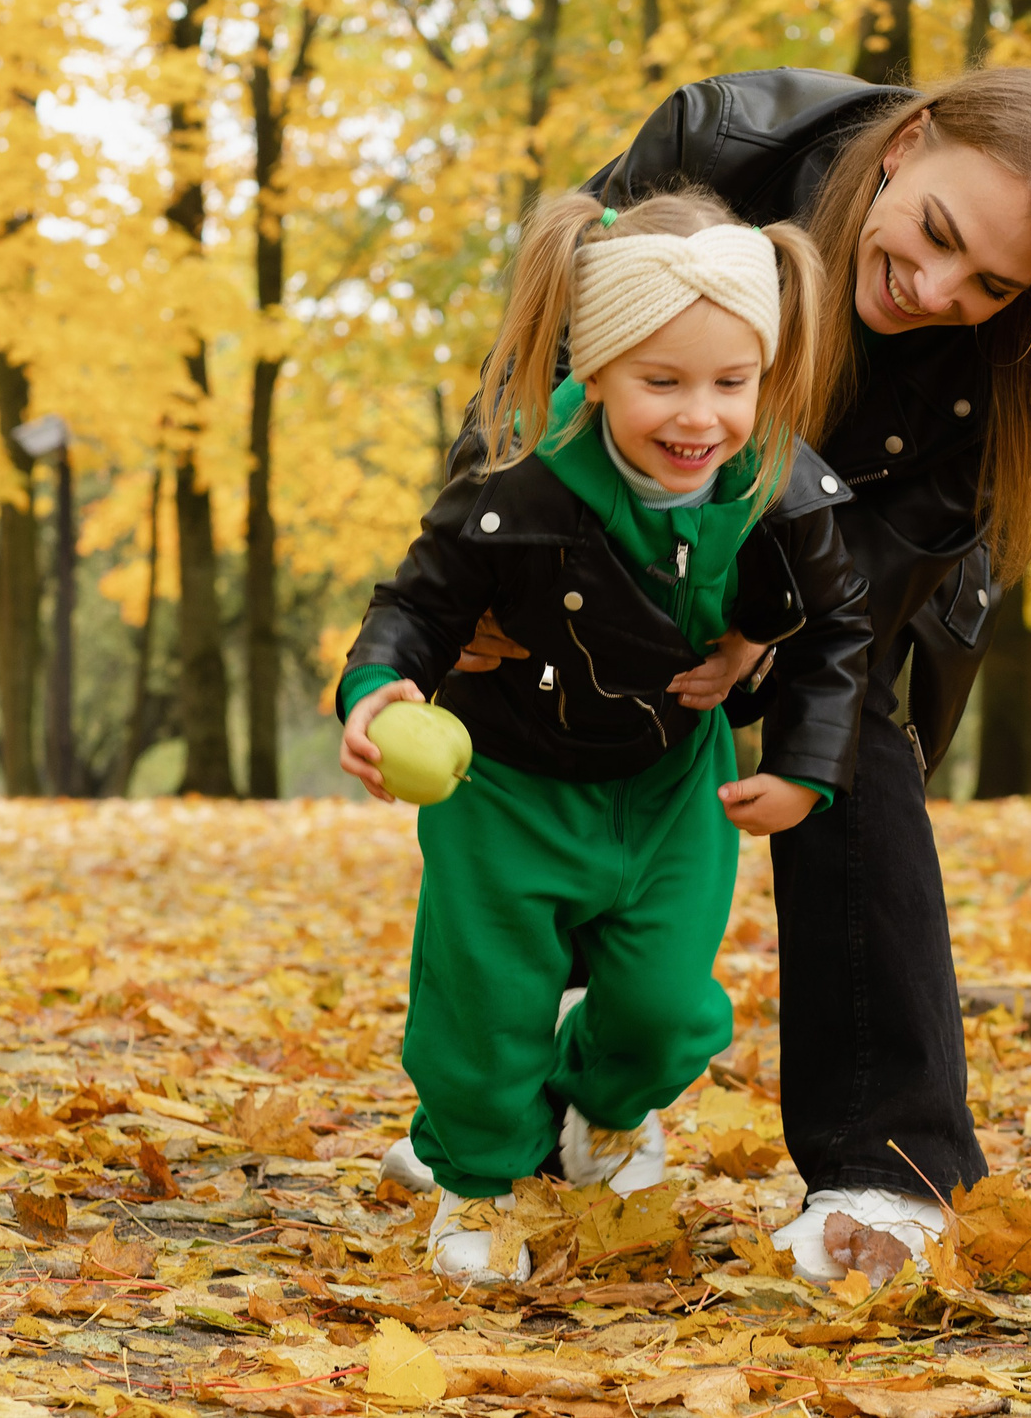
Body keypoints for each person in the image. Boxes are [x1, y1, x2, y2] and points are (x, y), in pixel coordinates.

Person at [414, 66, 1031, 1281]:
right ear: (905, 142)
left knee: (850, 748)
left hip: (845, 561)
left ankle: (889, 1171)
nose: (935, 290)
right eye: (934, 233)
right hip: (607, 516)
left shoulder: (1018, 343)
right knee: (547, 720)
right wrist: (474, 584)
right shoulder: (719, 146)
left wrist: (766, 624)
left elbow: (919, 530)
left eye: (988, 284)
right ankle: (525, 1094)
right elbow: (541, 363)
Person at [336, 187, 873, 1281]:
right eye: (660, 382)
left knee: (670, 1008)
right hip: (506, 785)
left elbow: (837, 623)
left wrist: (806, 765)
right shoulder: (518, 480)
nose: (700, 418)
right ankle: (475, 1185)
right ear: (596, 366)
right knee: (483, 1006)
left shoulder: (779, 481)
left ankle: (600, 1113)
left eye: (732, 382)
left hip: (671, 780)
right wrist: (380, 688)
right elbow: (421, 604)